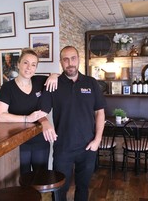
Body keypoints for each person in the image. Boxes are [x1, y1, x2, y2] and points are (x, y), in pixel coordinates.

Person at [38, 46, 107, 201]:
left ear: (79, 59)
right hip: (63, 148)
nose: (70, 63)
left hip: (88, 147)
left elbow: (100, 112)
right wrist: (44, 122)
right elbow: (41, 113)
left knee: (83, 188)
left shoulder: (91, 83)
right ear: (61, 62)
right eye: (65, 59)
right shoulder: (53, 84)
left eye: (73, 58)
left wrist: (97, 140)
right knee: (60, 190)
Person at [0, 48, 58, 174]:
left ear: (36, 68)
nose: (29, 67)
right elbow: (0, 116)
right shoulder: (7, 88)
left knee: (40, 177)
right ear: (18, 64)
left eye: (33, 64)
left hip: (40, 139)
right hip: (17, 142)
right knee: (21, 180)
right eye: (25, 63)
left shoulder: (39, 82)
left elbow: (58, 77)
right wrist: (27, 119)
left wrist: (54, 75)